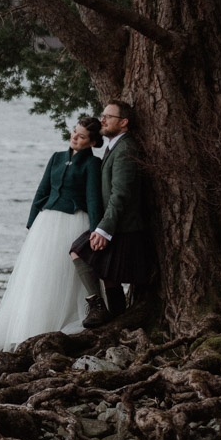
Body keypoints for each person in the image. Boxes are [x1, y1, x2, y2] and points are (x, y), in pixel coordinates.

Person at [0, 117, 104, 352]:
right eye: (74, 132)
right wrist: (32, 221)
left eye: (81, 136)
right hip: (46, 221)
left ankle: (78, 315)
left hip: (74, 219)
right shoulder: (56, 157)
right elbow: (42, 189)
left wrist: (97, 230)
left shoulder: (92, 164)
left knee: (64, 273)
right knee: (39, 273)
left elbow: (93, 198)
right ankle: (33, 325)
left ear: (93, 142)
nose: (75, 138)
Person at [70, 100, 154, 328]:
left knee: (79, 251)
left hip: (124, 228)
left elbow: (121, 194)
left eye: (108, 116)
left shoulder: (126, 148)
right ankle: (116, 317)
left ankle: (98, 308)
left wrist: (104, 229)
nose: (102, 120)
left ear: (124, 122)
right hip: (118, 225)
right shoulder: (116, 145)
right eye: (102, 115)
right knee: (109, 275)